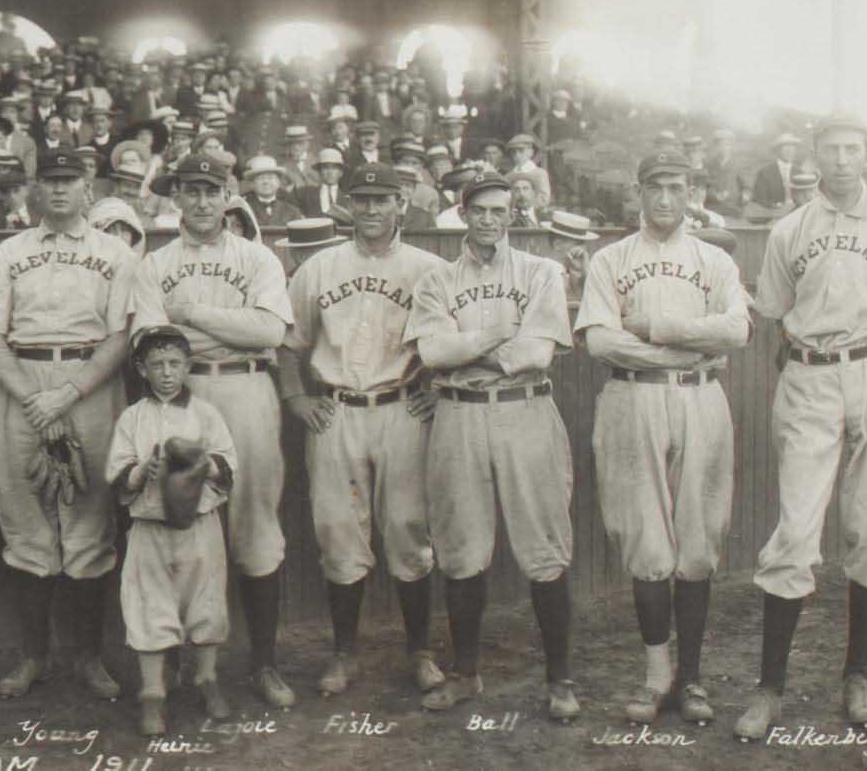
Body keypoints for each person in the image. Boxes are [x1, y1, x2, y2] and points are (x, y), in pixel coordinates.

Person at [738, 119, 867, 738]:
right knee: (796, 531)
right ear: (815, 157)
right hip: (811, 377)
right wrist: (811, 363)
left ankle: (857, 675)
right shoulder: (789, 228)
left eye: (854, 149)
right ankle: (770, 689)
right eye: (832, 150)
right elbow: (773, 312)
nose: (843, 160)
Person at [0, 150, 164, 702]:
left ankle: (89, 657)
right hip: (21, 384)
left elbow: (122, 336)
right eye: (49, 181)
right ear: (36, 189)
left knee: (91, 520)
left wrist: (69, 393)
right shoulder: (10, 251)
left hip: (91, 383)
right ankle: (33, 656)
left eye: (69, 180)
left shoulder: (116, 254)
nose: (58, 191)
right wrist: (37, 399)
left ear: (87, 187)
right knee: (25, 519)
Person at [577, 156, 745, 725]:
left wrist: (662, 332)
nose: (666, 198)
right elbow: (601, 342)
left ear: (692, 193)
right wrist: (680, 350)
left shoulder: (714, 259)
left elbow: (737, 330)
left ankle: (692, 679)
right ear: (637, 191)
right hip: (634, 398)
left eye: (677, 188)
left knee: (698, 541)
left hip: (701, 398)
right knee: (646, 539)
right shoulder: (610, 258)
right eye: (655, 187)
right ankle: (656, 677)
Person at [405, 175, 577, 719]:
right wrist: (493, 339)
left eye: (499, 211)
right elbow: (433, 351)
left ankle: (560, 680)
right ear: (463, 212)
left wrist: (466, 350)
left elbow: (539, 352)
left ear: (512, 214)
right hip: (459, 415)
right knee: (461, 548)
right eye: (479, 210)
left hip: (526, 409)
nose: (489, 220)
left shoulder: (541, 271)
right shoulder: (438, 279)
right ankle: (466, 674)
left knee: (544, 546)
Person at [283, 162, 448, 700]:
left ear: (402, 204)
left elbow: (450, 340)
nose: (373, 209)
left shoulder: (428, 267)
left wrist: (437, 388)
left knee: (408, 528)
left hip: (401, 408)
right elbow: (290, 344)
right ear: (348, 205)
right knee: (337, 530)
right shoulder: (320, 267)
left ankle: (420, 651)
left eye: (383, 199)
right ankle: (343, 653)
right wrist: (296, 397)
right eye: (363, 199)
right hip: (337, 410)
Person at [140, 155, 298, 710]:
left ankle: (264, 665)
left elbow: (270, 330)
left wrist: (195, 316)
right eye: (191, 190)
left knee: (255, 525)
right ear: (176, 196)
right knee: (182, 521)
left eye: (212, 190)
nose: (202, 201)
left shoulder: (256, 257)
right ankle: (187, 664)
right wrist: (233, 331)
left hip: (248, 390)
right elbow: (154, 342)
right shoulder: (154, 262)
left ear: (228, 194)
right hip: (180, 394)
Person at [106, 325, 236, 736]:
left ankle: (207, 678)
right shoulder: (133, 417)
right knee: (149, 604)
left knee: (207, 600)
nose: (166, 373)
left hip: (199, 525)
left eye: (175, 363)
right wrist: (145, 471)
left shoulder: (205, 412)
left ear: (188, 366)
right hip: (150, 527)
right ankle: (152, 692)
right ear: (142, 369)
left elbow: (228, 464)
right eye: (157, 364)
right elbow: (117, 475)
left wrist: (202, 463)